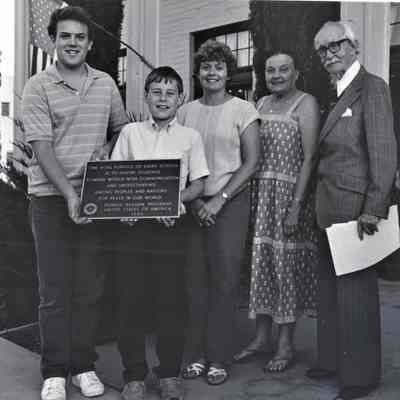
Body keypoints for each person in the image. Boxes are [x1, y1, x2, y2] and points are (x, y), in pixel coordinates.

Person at [21, 6, 128, 400]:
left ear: (90, 43)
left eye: (79, 37)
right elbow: (41, 147)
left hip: (95, 198)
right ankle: (54, 371)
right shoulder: (38, 86)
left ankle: (83, 366)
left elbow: (121, 130)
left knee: (88, 289)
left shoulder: (104, 84)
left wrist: (108, 150)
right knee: (54, 290)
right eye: (65, 36)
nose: (72, 43)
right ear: (53, 40)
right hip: (50, 198)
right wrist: (69, 195)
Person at [306, 21, 397, 400]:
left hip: (357, 209)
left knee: (356, 295)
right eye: (323, 50)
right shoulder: (335, 91)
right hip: (328, 207)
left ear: (354, 45)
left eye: (335, 46)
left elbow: (384, 151)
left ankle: (359, 377)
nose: (329, 54)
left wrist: (374, 207)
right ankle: (331, 361)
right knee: (330, 292)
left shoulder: (372, 87)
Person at [111, 66, 209, 400]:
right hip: (133, 230)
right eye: (157, 92)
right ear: (146, 96)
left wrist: (176, 201)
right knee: (130, 302)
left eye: (170, 93)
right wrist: (123, 210)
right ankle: (134, 376)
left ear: (180, 99)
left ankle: (168, 374)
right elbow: (116, 182)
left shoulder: (190, 138)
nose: (163, 99)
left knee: (171, 302)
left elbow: (198, 183)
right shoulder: (130, 134)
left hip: (170, 229)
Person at [178, 39, 260, 385]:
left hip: (230, 204)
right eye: (206, 66)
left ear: (229, 73)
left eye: (219, 66)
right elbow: (177, 163)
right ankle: (194, 354)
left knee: (224, 284)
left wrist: (219, 199)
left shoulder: (244, 110)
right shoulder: (184, 112)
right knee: (194, 284)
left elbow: (252, 162)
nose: (212, 72)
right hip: (192, 205)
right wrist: (195, 201)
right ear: (198, 73)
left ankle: (218, 358)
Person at [234, 53, 320, 372]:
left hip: (288, 197)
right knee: (262, 266)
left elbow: (310, 158)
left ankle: (285, 345)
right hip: (259, 196)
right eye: (271, 70)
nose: (277, 75)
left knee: (285, 268)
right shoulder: (260, 104)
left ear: (296, 73)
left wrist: (296, 206)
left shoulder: (306, 104)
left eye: (284, 69)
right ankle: (260, 339)